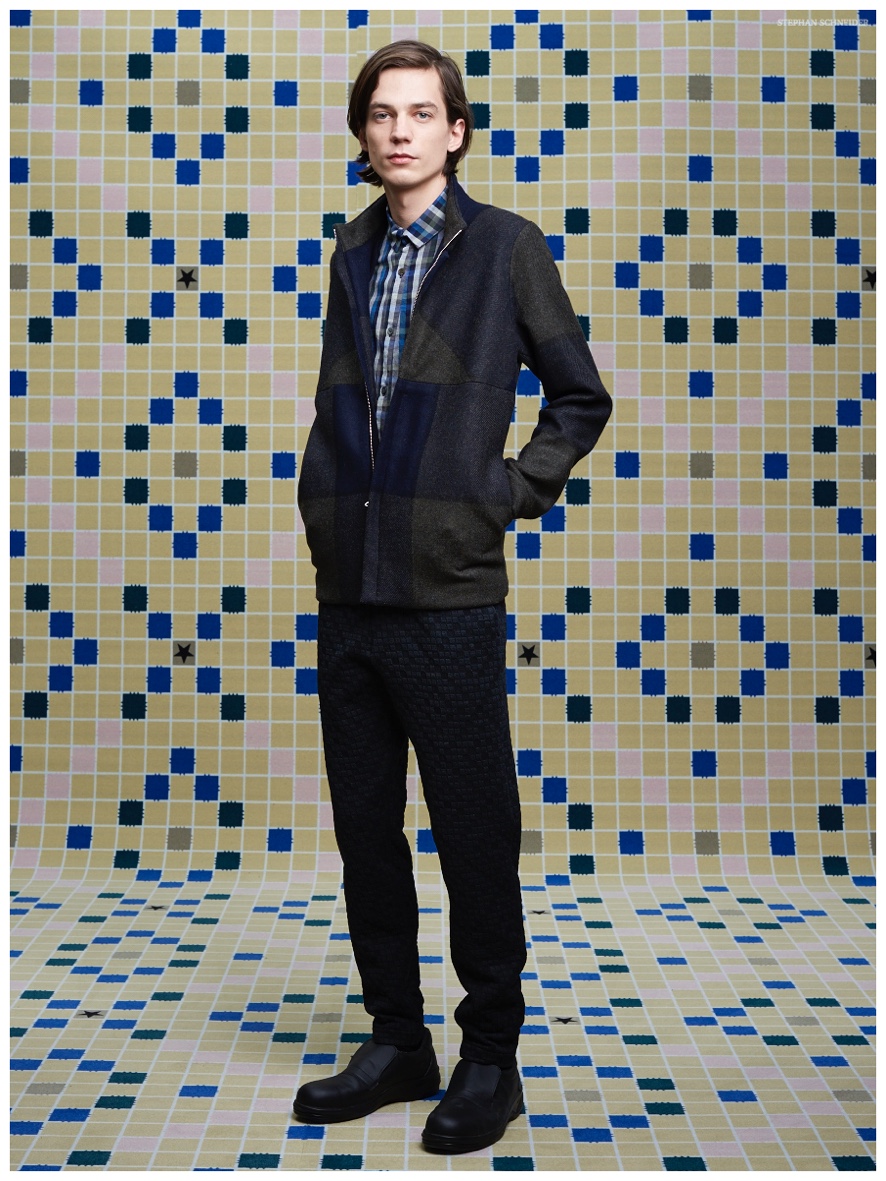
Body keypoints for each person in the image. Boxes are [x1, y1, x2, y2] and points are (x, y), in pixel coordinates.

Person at [292, 40, 611, 1155]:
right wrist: (322, 499)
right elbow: (349, 399)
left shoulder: (506, 248)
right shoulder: (352, 247)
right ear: (362, 131)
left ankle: (490, 1057)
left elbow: (578, 397)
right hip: (351, 584)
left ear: (457, 131)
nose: (400, 131)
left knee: (473, 830)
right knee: (365, 831)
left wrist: (500, 493)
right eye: (382, 113)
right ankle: (399, 1040)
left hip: (450, 591)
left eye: (421, 113)